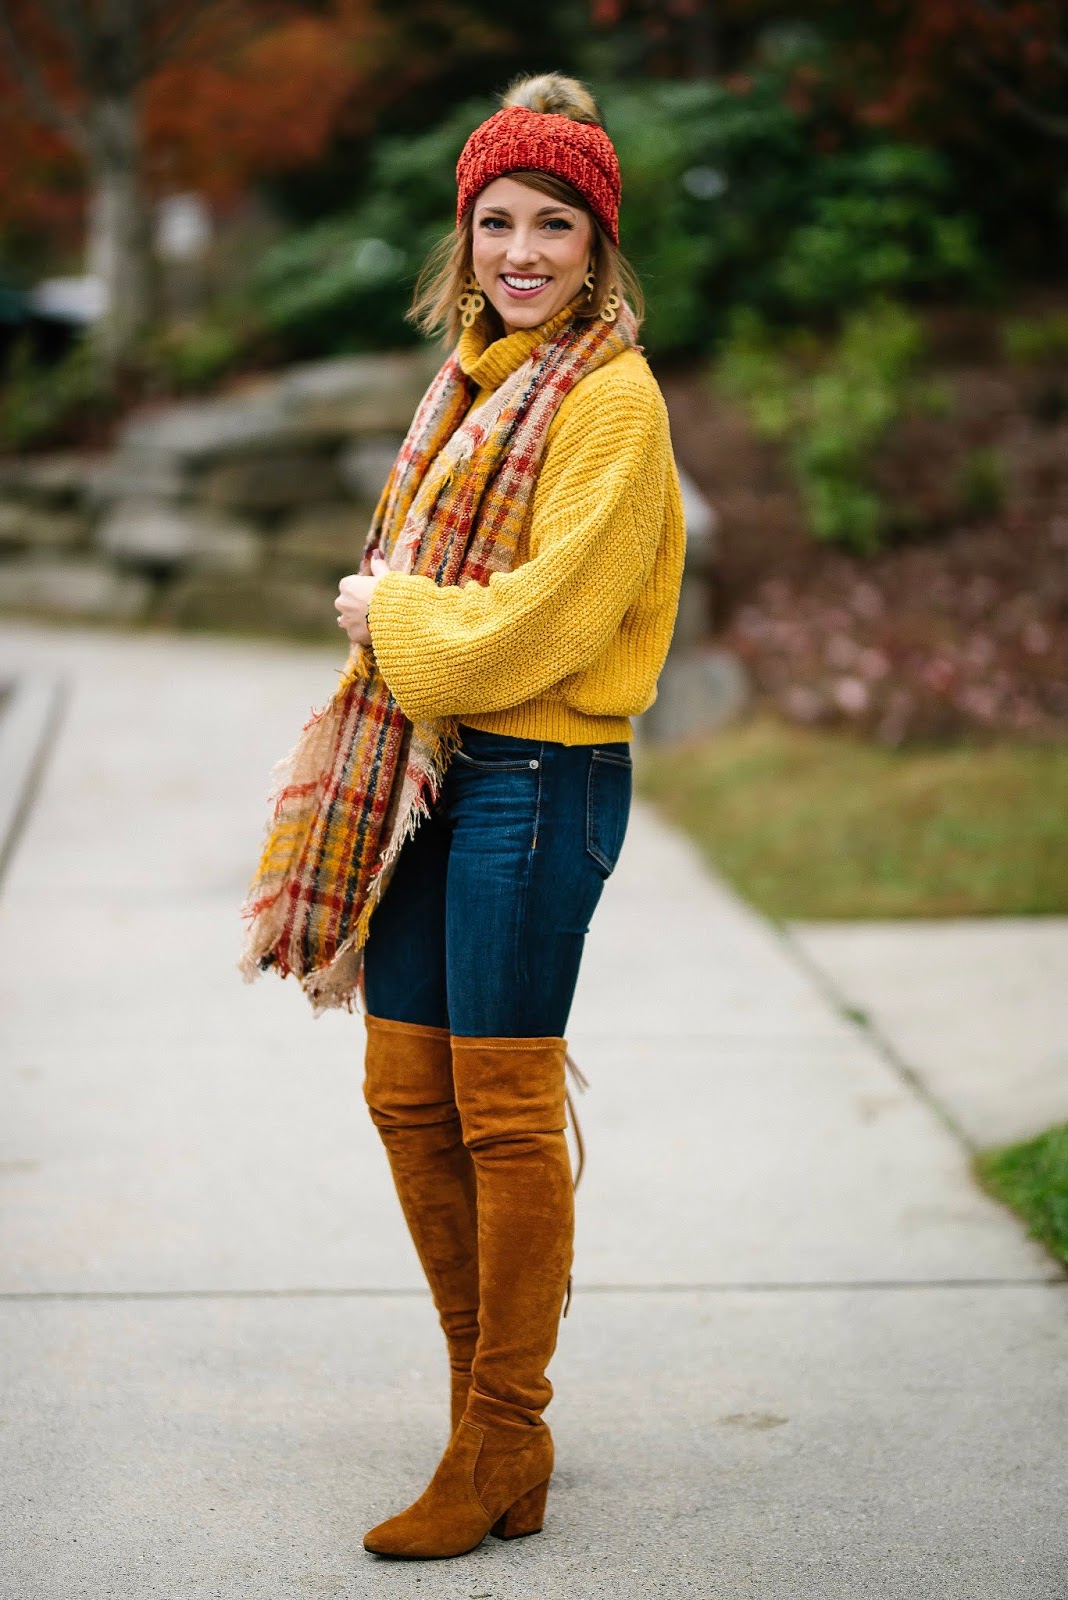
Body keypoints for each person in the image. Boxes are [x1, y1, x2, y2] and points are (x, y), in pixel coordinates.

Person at [242, 70, 684, 1561]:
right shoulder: (475, 384)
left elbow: (549, 622)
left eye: (553, 223)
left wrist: (393, 614)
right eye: (497, 221)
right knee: (404, 1093)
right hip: (437, 771)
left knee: (501, 1110)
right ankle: (489, 1425)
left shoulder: (611, 400)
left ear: (597, 241)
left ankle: (500, 1432)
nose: (522, 250)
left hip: (539, 782)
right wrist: (412, 622)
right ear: (465, 238)